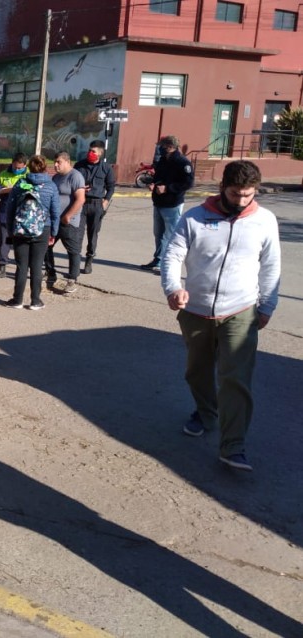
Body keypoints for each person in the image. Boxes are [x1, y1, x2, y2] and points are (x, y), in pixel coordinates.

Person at [161, 160, 280, 472]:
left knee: (235, 379)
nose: (242, 201)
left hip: (240, 310)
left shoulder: (264, 221)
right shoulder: (195, 218)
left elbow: (271, 265)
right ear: (222, 188)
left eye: (248, 195)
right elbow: (172, 255)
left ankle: (233, 446)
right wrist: (174, 288)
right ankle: (205, 413)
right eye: (235, 193)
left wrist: (267, 305)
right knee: (197, 371)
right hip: (196, 310)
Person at [4, 154, 60, 310]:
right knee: (36, 266)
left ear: (28, 167)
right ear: (45, 167)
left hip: (20, 230)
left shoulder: (21, 183)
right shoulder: (51, 186)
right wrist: (53, 233)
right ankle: (35, 301)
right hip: (43, 229)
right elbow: (55, 212)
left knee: (21, 266)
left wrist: (10, 230)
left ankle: (17, 300)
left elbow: (10, 209)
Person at [140, 135, 194, 272]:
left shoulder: (182, 163)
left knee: (170, 236)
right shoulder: (163, 161)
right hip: (158, 202)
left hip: (172, 204)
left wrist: (168, 188)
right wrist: (154, 184)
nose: (159, 149)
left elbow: (188, 183)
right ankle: (158, 260)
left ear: (170, 147)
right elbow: (159, 177)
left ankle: (168, 264)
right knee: (158, 234)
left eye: (161, 147)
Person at [44, 152, 86, 294]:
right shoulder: (56, 177)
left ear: (67, 162)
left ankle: (72, 279)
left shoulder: (75, 176)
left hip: (69, 222)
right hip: (54, 221)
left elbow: (80, 199)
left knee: (73, 251)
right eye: (55, 162)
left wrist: (68, 216)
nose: (55, 165)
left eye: (58, 162)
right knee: (45, 246)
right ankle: (51, 273)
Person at [74, 140, 115, 274]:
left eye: (93, 151)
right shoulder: (79, 165)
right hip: (81, 203)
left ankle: (89, 260)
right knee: (77, 234)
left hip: (97, 204)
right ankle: (75, 262)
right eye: (89, 150)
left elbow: (110, 187)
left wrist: (105, 201)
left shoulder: (106, 168)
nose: (90, 153)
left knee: (93, 234)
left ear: (100, 154)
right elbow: (72, 180)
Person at [0, 152, 29, 280]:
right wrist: (5, 190)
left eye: (19, 168)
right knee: (4, 241)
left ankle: (20, 269)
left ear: (25, 165)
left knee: (20, 243)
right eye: (15, 167)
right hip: (5, 213)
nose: (16, 170)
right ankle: (2, 268)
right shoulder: (3, 174)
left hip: (22, 214)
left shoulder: (29, 175)